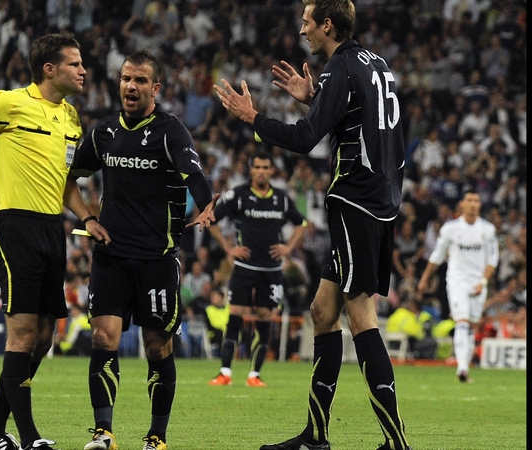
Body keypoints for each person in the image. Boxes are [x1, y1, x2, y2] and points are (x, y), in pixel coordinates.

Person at [213, 1, 411, 449]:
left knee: (360, 315)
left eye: (306, 22)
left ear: (326, 24)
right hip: (381, 199)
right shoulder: (376, 64)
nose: (301, 30)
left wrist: (254, 119)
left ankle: (397, 443)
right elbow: (388, 125)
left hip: (354, 201)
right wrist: (319, 96)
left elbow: (305, 139)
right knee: (323, 312)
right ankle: (316, 437)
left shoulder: (340, 67)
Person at [0, 33, 105, 450]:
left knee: (43, 337)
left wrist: (88, 217)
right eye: (75, 64)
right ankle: (29, 438)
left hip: (51, 227)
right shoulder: (9, 102)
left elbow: (67, 183)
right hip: (13, 226)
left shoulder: (72, 119)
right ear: (50, 69)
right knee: (21, 334)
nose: (83, 70)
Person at [66, 49, 217, 450]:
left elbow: (195, 177)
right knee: (103, 337)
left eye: (139, 81)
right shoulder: (103, 132)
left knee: (157, 346)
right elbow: (70, 180)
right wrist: (87, 219)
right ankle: (103, 433)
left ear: (156, 88)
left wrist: (206, 205)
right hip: (111, 254)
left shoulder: (171, 132)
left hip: (157, 258)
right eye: (125, 79)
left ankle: (157, 436)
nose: (130, 87)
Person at [207, 150, 307, 388]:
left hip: (272, 269)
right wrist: (229, 249)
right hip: (244, 266)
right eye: (257, 167)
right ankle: (225, 372)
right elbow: (210, 219)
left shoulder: (281, 198)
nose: (261, 171)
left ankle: (255, 375)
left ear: (272, 171)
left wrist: (288, 247)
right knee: (235, 316)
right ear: (250, 170)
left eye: (266, 167)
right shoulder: (238, 195)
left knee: (265, 318)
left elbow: (301, 223)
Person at [418, 190, 498, 382]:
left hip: (478, 282)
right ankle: (462, 367)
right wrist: (425, 278)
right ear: (462, 204)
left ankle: (465, 367)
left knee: (471, 326)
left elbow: (492, 260)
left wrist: (483, 282)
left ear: (480, 204)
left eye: (476, 200)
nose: (473, 203)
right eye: (469, 200)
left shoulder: (487, 230)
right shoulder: (450, 229)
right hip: (457, 281)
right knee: (461, 322)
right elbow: (437, 255)